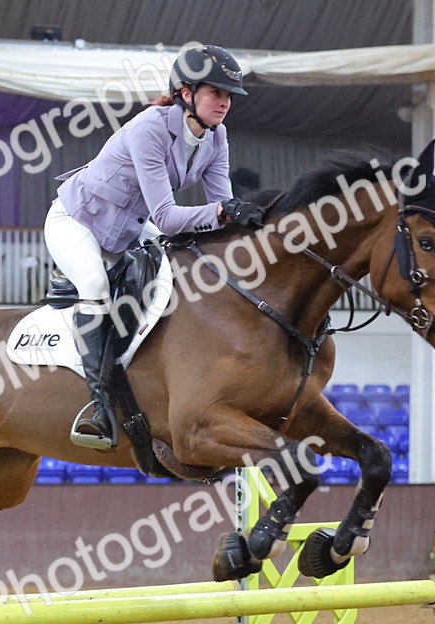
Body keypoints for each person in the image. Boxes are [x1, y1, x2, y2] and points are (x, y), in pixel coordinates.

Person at [45, 45, 265, 450]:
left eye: (229, 96)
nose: (224, 102)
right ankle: (99, 406)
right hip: (77, 223)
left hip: (129, 229)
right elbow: (167, 216)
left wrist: (241, 219)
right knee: (94, 284)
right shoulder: (149, 128)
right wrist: (223, 211)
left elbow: (222, 206)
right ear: (186, 92)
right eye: (216, 92)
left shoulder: (216, 138)